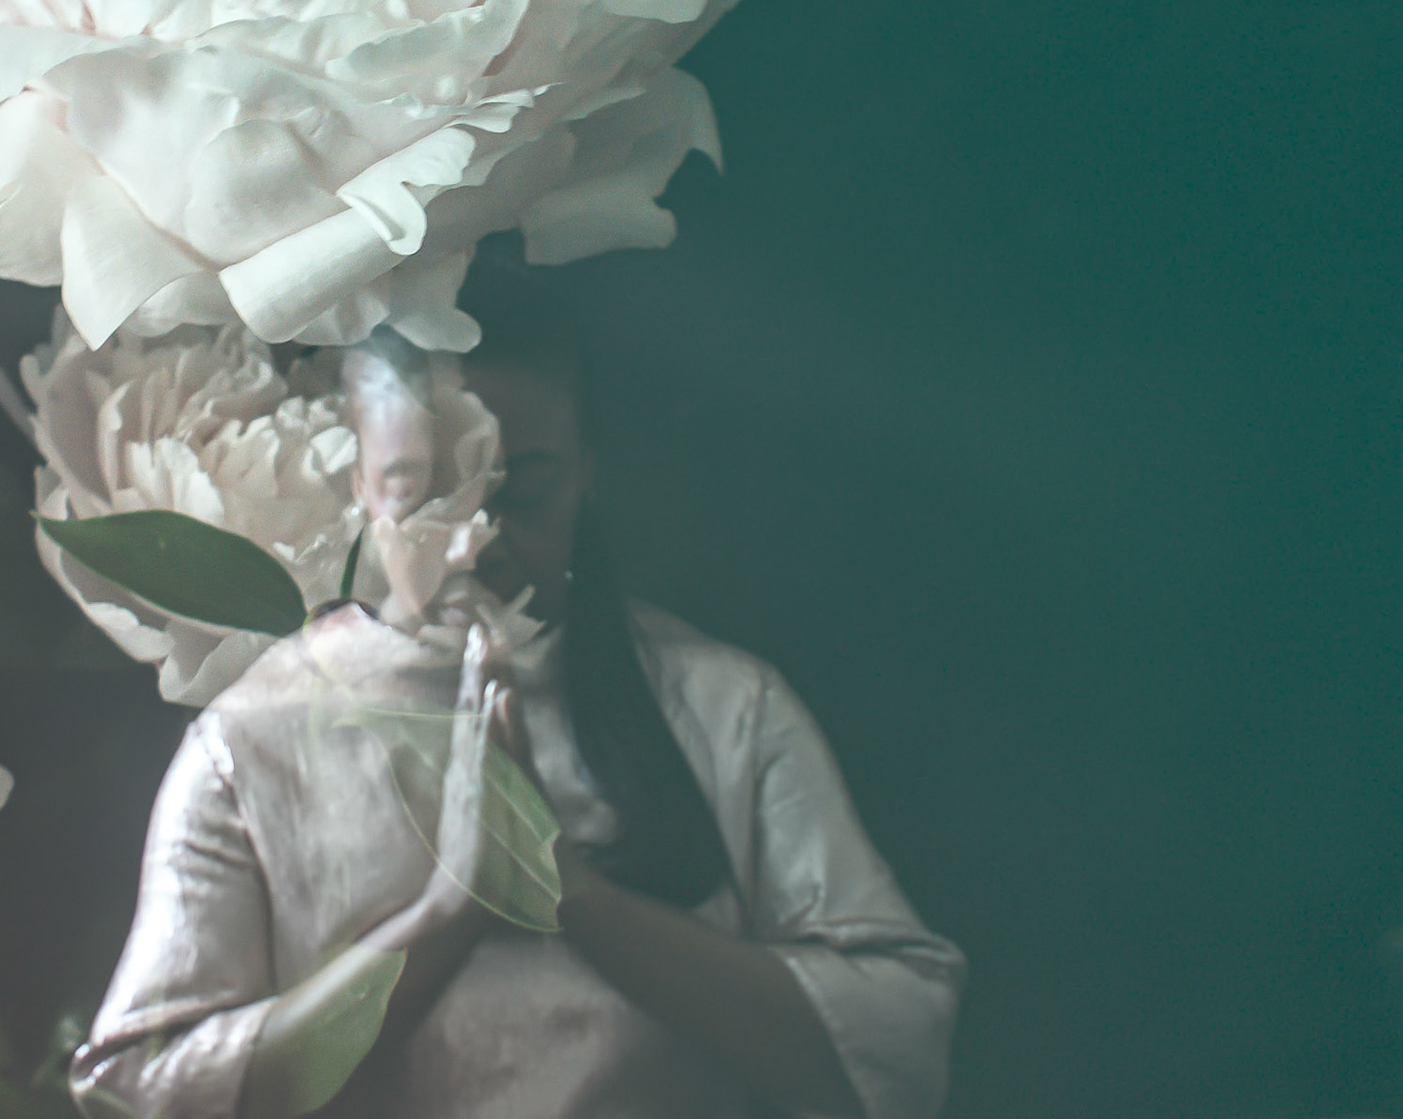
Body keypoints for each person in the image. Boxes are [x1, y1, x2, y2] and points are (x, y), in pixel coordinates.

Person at [69, 282, 964, 1119]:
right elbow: (137, 1094)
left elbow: (899, 1042)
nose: (477, 543)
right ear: (359, 484)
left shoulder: (724, 705)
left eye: (524, 493)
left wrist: (576, 899)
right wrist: (445, 914)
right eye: (427, 496)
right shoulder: (252, 739)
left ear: (587, 471)